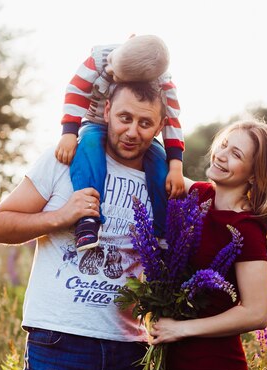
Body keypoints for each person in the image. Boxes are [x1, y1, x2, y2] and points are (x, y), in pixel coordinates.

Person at [0, 81, 168, 370]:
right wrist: (61, 216)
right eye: (125, 118)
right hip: (59, 341)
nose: (133, 131)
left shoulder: (161, 182)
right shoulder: (63, 159)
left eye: (145, 123)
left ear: (160, 126)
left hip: (130, 347)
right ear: (107, 110)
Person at [148, 119, 267, 370]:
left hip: (212, 369)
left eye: (236, 154)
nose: (221, 155)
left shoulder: (246, 229)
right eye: (224, 145)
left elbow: (257, 312)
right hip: (169, 359)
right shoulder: (198, 195)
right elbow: (152, 157)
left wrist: (182, 329)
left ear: (254, 174)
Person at [55, 35, 186, 251]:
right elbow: (76, 91)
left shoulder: (164, 84)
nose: (110, 72)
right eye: (112, 69)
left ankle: (163, 234)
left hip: (135, 127)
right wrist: (69, 131)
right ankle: (88, 219)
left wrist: (176, 166)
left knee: (160, 165)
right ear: (129, 40)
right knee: (88, 147)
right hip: (96, 122)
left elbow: (172, 121)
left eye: (117, 76)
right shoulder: (100, 58)